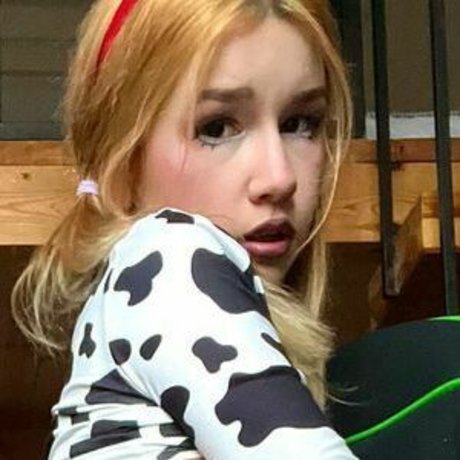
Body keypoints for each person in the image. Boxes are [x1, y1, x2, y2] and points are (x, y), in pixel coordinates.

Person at [12, 0, 356, 458]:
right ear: (123, 161)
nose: (278, 178)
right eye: (217, 128)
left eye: (299, 123)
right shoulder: (169, 257)